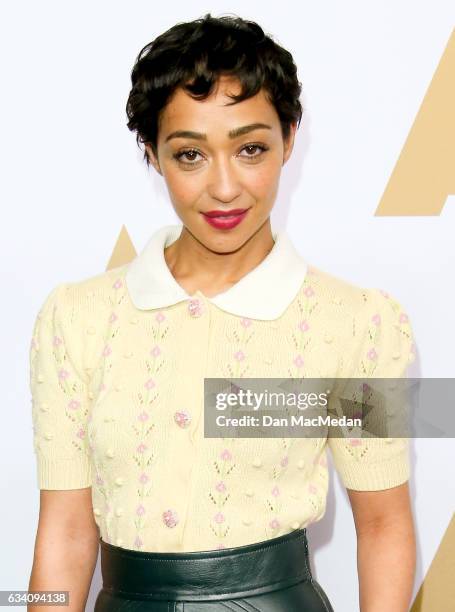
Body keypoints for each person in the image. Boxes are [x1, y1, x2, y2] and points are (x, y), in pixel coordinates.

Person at [27, 13, 417, 612]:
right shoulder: (76, 319)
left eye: (251, 148)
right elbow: (66, 531)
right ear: (153, 156)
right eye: (190, 156)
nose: (226, 187)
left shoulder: (361, 323)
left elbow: (385, 526)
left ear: (290, 138)